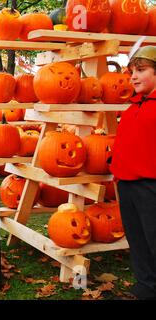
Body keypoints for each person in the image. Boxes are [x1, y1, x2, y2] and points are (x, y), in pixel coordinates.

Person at [110, 46, 156, 300]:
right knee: (138, 242)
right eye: (131, 72)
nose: (133, 77)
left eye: (141, 70)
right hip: (127, 185)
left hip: (151, 185)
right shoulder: (132, 108)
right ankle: (145, 289)